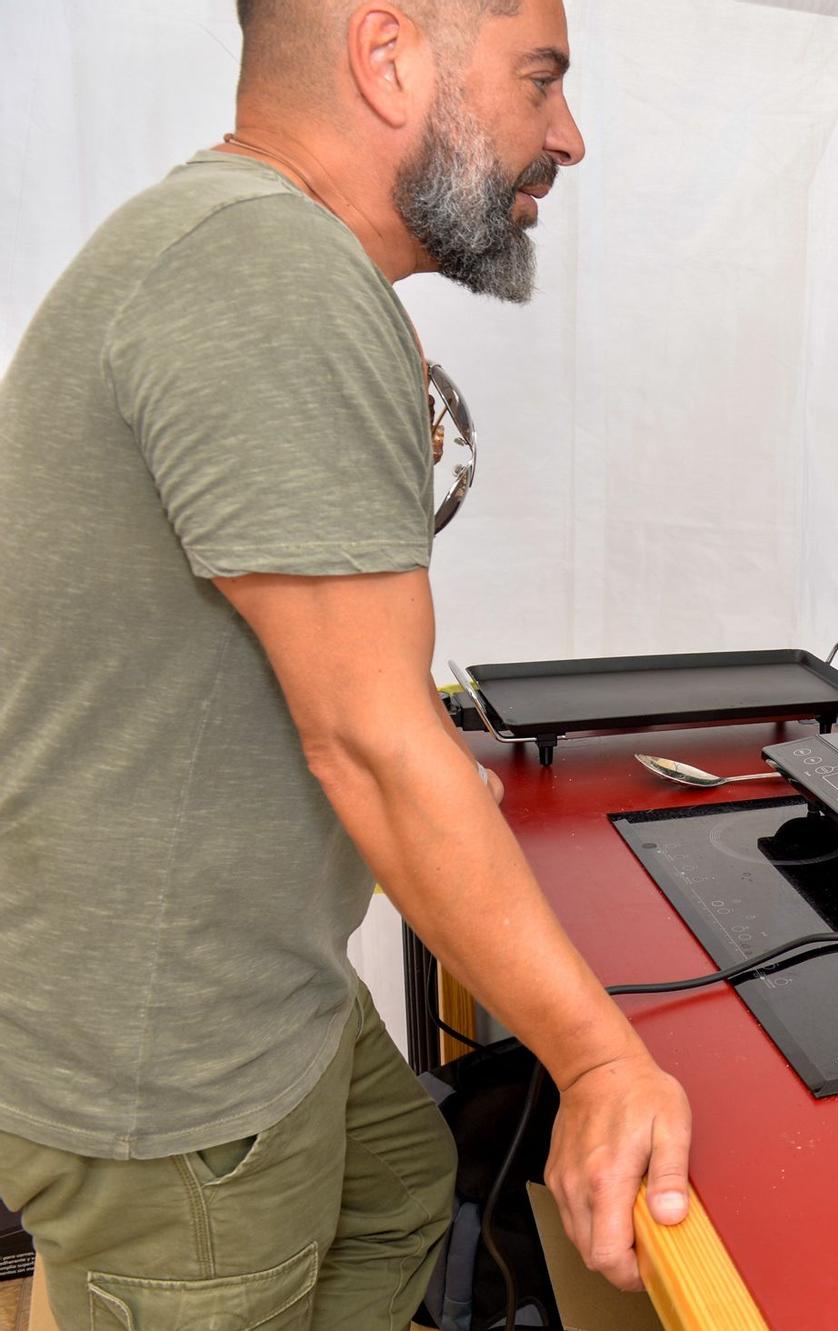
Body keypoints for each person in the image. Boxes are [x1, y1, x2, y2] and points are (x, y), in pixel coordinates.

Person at [0, 2, 692, 1324]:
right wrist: (601, 1059)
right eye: (539, 80)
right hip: (167, 1046)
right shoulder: (272, 274)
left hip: (228, 975)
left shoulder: (240, 251)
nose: (569, 136)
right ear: (389, 59)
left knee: (397, 1184)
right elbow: (368, 735)